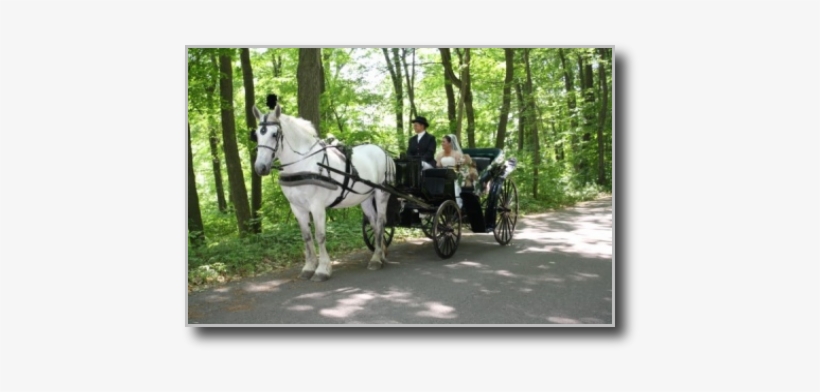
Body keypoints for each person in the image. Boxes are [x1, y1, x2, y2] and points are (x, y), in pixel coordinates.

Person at [435, 134, 475, 208]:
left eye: (444, 142)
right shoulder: (440, 155)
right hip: (444, 174)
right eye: (442, 142)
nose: (442, 143)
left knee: (456, 183)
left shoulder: (456, 154)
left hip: (455, 173)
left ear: (450, 143)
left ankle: (459, 204)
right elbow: (438, 166)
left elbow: (459, 167)